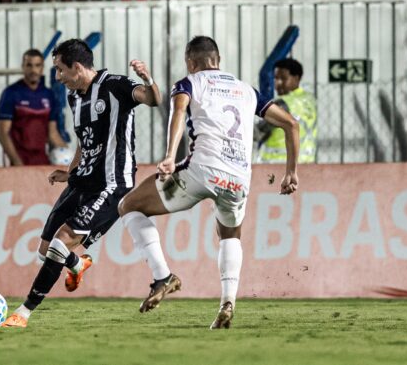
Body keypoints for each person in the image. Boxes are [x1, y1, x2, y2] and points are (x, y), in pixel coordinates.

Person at [117, 36, 300, 329]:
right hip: (239, 178)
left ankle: (163, 277)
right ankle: (227, 303)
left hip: (200, 171)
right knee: (230, 235)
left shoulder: (189, 83)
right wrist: (291, 172)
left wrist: (168, 157)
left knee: (129, 205)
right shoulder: (246, 90)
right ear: (218, 59)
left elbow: (178, 113)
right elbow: (292, 124)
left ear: (191, 62)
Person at [2, 38, 162, 328]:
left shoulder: (115, 86)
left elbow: (153, 99)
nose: (57, 77)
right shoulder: (74, 96)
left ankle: (23, 313)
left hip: (112, 183)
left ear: (77, 67)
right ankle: (78, 264)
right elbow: (84, 141)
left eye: (60, 70)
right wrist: (69, 171)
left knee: (61, 243)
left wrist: (148, 78)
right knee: (45, 250)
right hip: (82, 180)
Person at [0, 49, 68, 165]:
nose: (33, 70)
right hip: (18, 162)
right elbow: (3, 133)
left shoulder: (48, 95)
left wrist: (71, 157)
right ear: (23, 67)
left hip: (42, 161)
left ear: (42, 68)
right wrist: (16, 162)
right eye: (29, 65)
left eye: (37, 65)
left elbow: (53, 133)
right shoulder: (11, 93)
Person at [257, 58, 317, 164]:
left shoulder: (284, 103)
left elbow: (258, 132)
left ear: (296, 78)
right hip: (307, 163)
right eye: (276, 78)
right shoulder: (310, 100)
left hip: (278, 165)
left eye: (283, 79)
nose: (278, 83)